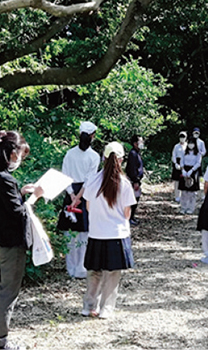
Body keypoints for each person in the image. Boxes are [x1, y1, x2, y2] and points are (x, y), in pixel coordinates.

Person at [0, 131, 44, 350]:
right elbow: (19, 212)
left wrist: (22, 190)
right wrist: (35, 196)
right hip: (11, 241)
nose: (20, 159)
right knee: (10, 290)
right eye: (19, 154)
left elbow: (8, 203)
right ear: (10, 153)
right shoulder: (6, 179)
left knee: (4, 286)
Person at [81, 142, 137, 319]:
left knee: (94, 271)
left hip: (96, 232)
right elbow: (127, 212)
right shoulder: (124, 184)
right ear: (121, 160)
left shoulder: (92, 181)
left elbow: (88, 207)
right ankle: (106, 309)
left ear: (103, 158)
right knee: (112, 274)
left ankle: (88, 306)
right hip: (116, 234)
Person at [57, 121, 100, 279]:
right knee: (83, 233)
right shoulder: (94, 156)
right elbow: (89, 179)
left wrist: (71, 196)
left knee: (70, 234)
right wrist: (78, 197)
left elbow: (65, 174)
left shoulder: (69, 153)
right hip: (84, 194)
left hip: (71, 193)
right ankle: (81, 268)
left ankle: (71, 268)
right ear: (92, 136)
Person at [178, 137, 202, 214]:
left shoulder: (198, 153)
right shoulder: (184, 152)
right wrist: (183, 170)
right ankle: (183, 207)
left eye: (192, 143)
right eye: (189, 143)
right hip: (185, 169)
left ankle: (191, 207)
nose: (190, 145)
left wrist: (192, 170)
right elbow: (181, 161)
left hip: (193, 171)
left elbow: (198, 163)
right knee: (184, 191)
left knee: (192, 192)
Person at [126, 135, 144, 226]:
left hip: (137, 180)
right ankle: (129, 218)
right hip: (133, 181)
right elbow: (132, 168)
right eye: (140, 142)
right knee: (132, 200)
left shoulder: (137, 153)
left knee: (136, 199)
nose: (142, 143)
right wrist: (135, 181)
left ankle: (132, 217)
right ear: (135, 143)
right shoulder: (133, 154)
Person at [171, 131, 187, 202]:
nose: (182, 138)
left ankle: (184, 196)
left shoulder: (187, 146)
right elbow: (173, 155)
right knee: (177, 181)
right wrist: (175, 163)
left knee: (184, 180)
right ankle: (177, 196)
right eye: (181, 137)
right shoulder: (176, 146)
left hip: (185, 163)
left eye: (183, 137)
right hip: (177, 163)